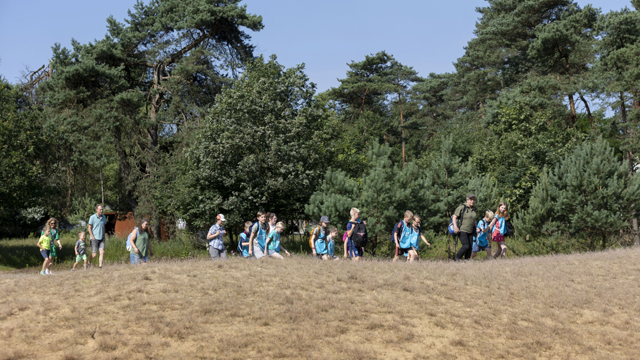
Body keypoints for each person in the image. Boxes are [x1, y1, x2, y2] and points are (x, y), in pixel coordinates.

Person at [452, 194, 478, 261]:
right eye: (471, 199)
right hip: (462, 230)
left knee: (470, 248)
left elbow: (473, 220)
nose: (472, 201)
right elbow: (454, 217)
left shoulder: (474, 209)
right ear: (467, 200)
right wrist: (455, 227)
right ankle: (456, 258)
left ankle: (466, 261)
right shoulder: (462, 207)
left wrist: (477, 227)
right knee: (466, 246)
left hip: (471, 231)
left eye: (473, 200)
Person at [88, 204, 107, 268]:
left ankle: (100, 266)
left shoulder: (104, 217)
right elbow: (89, 228)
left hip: (101, 237)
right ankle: (89, 263)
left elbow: (103, 226)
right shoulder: (92, 217)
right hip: (94, 238)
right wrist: (92, 237)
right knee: (94, 254)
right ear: (96, 210)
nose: (101, 211)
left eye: (102, 209)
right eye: (100, 209)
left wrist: (104, 234)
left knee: (102, 252)